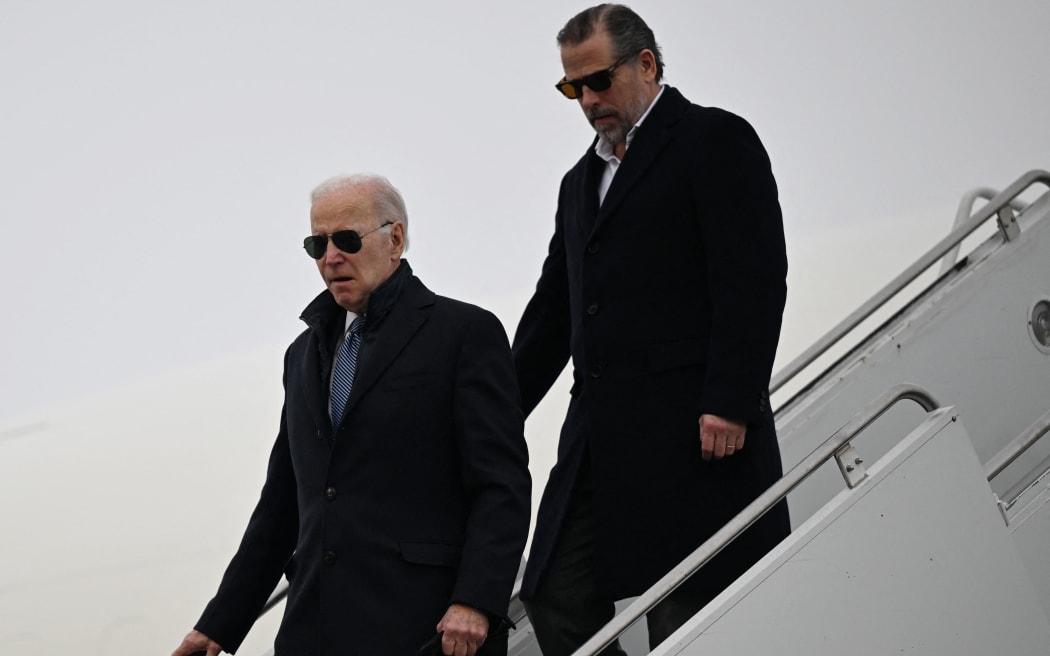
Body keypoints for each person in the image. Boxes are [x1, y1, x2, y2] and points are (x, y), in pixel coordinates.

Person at [512, 4, 791, 654]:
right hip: (599, 437)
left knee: (687, 613)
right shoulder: (578, 183)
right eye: (572, 87)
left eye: (599, 81)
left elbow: (753, 276)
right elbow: (553, 313)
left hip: (696, 431)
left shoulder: (713, 139)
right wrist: (491, 409)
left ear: (646, 63)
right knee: (554, 590)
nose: (587, 99)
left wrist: (729, 397)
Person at [171, 174, 531, 656]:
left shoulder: (463, 333)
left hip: (427, 629)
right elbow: (282, 505)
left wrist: (477, 601)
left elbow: (501, 484)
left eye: (346, 240)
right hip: (314, 630)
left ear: (395, 239)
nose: (330, 257)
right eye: (317, 244)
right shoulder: (302, 356)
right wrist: (219, 624)